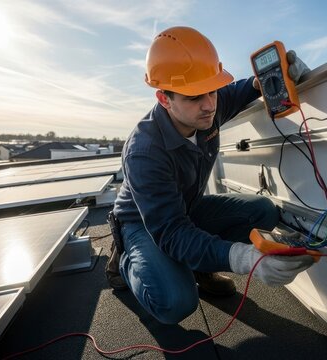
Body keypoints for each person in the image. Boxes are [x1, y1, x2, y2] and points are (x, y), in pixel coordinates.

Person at [107, 26, 315, 324]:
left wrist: (271, 78)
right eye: (193, 97)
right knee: (176, 302)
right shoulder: (144, 151)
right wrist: (247, 259)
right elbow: (171, 231)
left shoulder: (209, 105)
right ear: (165, 99)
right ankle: (128, 261)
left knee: (263, 212)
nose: (209, 105)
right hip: (142, 223)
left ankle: (197, 266)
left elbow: (245, 89)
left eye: (212, 90)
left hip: (187, 209)